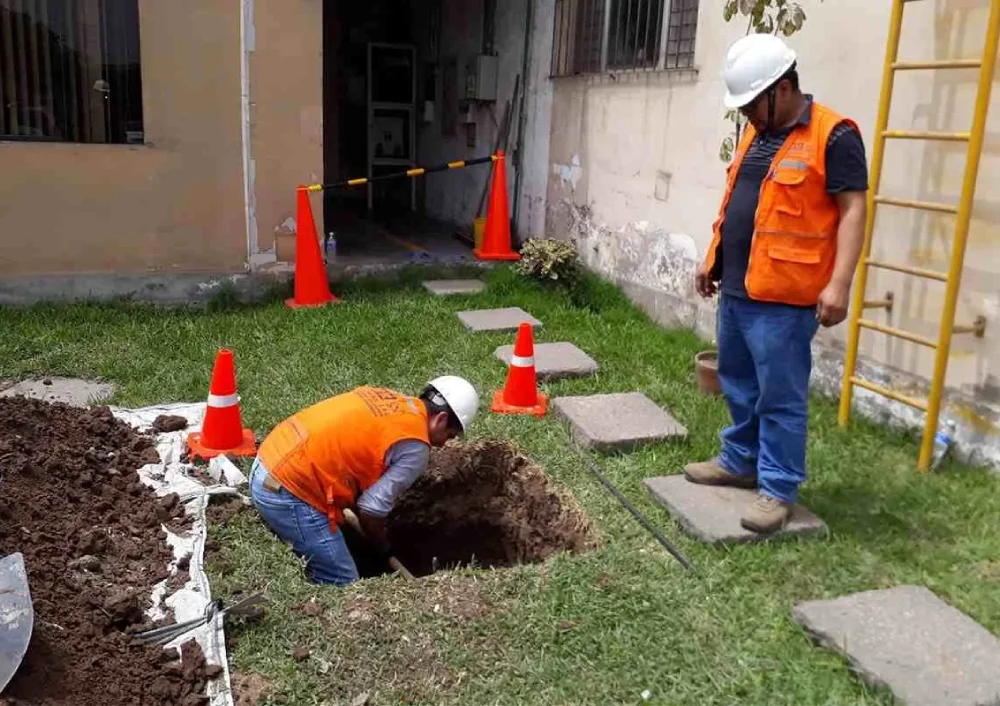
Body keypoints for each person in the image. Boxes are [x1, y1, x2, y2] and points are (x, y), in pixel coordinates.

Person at [686, 34, 869, 533]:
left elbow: (854, 210)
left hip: (786, 300)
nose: (746, 114)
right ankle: (740, 460)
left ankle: (778, 487)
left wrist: (840, 284)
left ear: (782, 89)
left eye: (751, 104)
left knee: (780, 397)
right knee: (739, 384)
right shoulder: (756, 133)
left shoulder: (833, 136)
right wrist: (714, 258)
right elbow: (741, 201)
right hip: (740, 289)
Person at [248, 376, 479, 586]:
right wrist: (381, 545)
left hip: (269, 457)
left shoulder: (386, 398)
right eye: (449, 436)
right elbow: (371, 509)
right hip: (287, 492)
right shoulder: (415, 448)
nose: (443, 444)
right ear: (440, 419)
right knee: (345, 582)